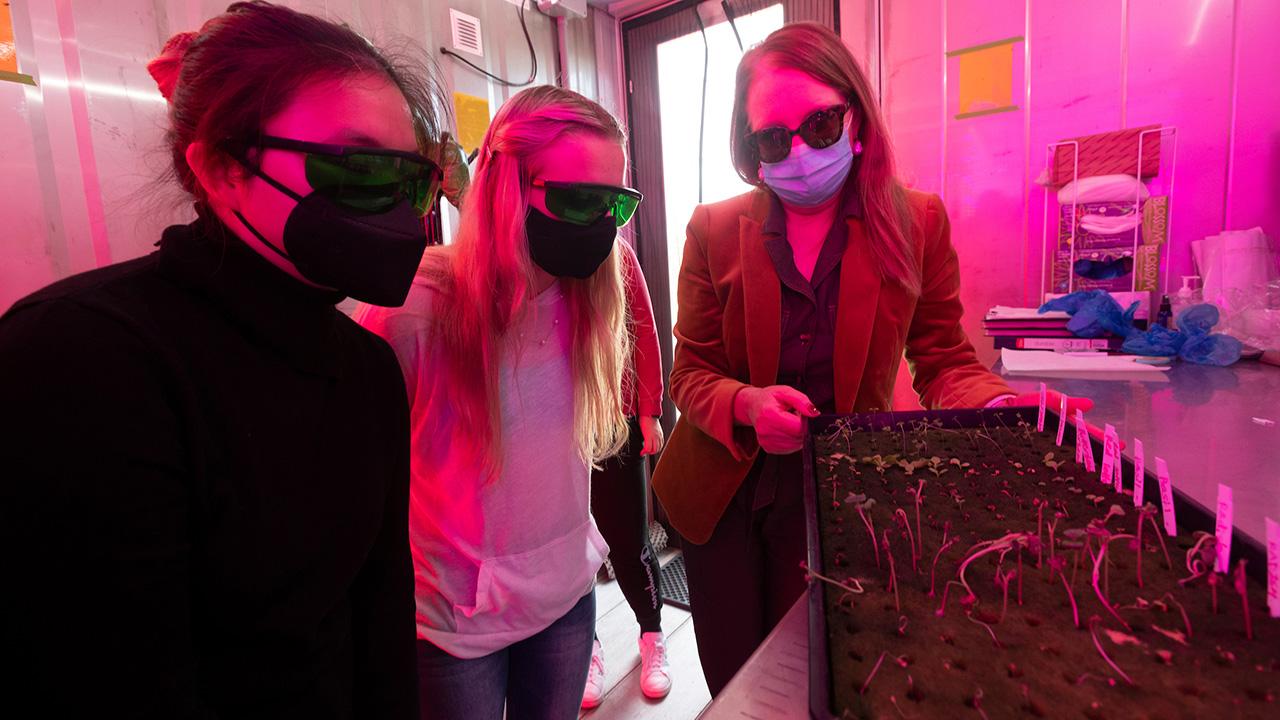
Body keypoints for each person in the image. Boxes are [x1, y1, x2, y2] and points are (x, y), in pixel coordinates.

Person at [0, 2, 446, 716]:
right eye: (359, 171)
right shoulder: (79, 357)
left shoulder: (366, 368)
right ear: (219, 168)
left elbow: (378, 625)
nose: (395, 211)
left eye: (409, 182)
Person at [650, 22, 1091, 696]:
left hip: (834, 496)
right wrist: (745, 404)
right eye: (774, 137)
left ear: (856, 115)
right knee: (739, 686)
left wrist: (998, 408)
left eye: (821, 125)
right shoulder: (714, 229)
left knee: (819, 681)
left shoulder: (915, 222)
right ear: (752, 146)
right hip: (716, 499)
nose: (799, 151)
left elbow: (943, 359)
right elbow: (690, 373)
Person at [355, 85, 640, 720]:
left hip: (564, 601)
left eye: (612, 205)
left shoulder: (586, 298)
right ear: (509, 186)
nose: (597, 226)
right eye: (576, 200)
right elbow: (358, 481)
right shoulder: (415, 310)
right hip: (454, 627)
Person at [581, 241, 671, 709]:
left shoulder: (617, 252)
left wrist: (650, 411)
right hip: (561, 427)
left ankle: (652, 633)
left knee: (630, 540)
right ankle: (586, 649)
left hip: (619, 421)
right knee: (572, 552)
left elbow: (646, 329)